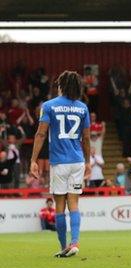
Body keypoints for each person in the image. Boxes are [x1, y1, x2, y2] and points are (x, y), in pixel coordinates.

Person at [29, 70, 91, 258]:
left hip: (59, 162)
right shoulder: (82, 108)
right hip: (77, 161)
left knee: (59, 205)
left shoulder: (49, 106)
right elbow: (86, 138)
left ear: (61, 86)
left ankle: (65, 245)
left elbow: (41, 134)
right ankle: (75, 242)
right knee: (74, 204)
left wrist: (33, 160)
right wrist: (88, 162)